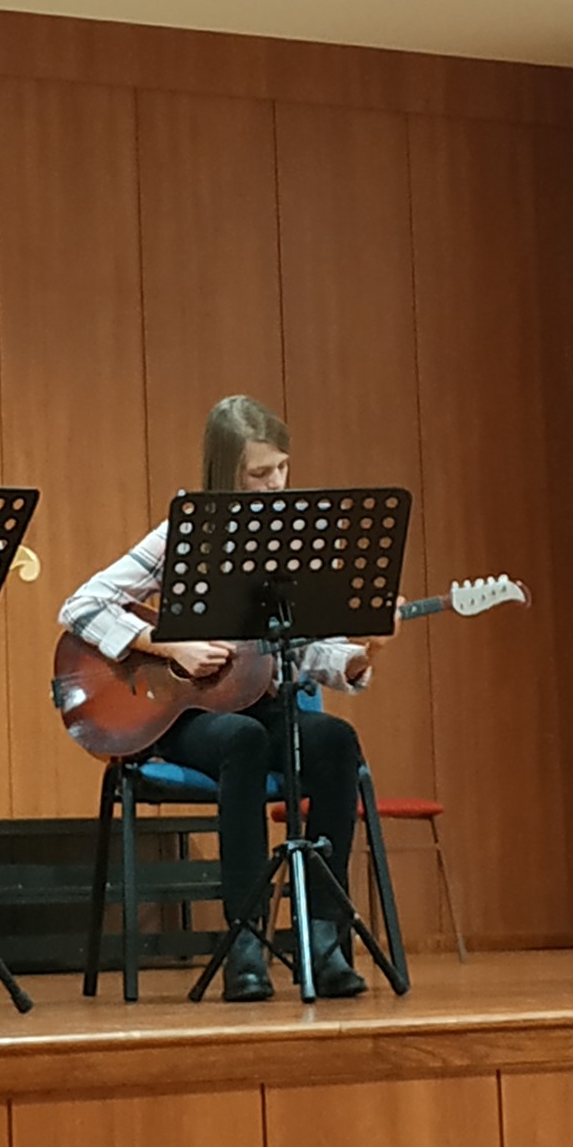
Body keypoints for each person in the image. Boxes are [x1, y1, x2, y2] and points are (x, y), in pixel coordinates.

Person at [61, 395, 383, 1003]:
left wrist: (363, 652)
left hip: (264, 700)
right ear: (227, 471)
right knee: (244, 739)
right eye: (260, 473)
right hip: (189, 714)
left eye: (282, 468)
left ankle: (323, 938)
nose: (276, 483)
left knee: (335, 740)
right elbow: (80, 605)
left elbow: (305, 651)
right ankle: (244, 942)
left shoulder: (295, 544)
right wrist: (165, 644)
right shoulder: (181, 536)